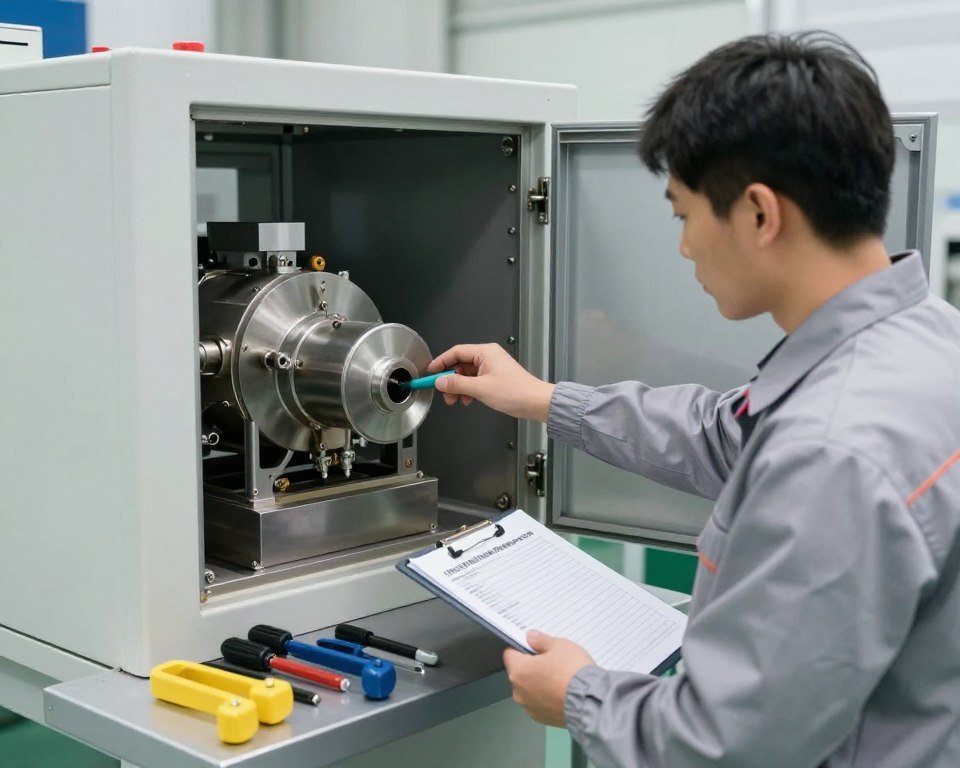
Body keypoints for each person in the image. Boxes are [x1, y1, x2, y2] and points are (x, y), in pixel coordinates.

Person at [426, 32, 960, 768]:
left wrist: (578, 694)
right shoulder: (925, 341)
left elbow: (729, 745)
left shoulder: (834, 449)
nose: (682, 248)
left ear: (760, 214)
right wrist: (544, 398)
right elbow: (723, 435)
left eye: (682, 215)